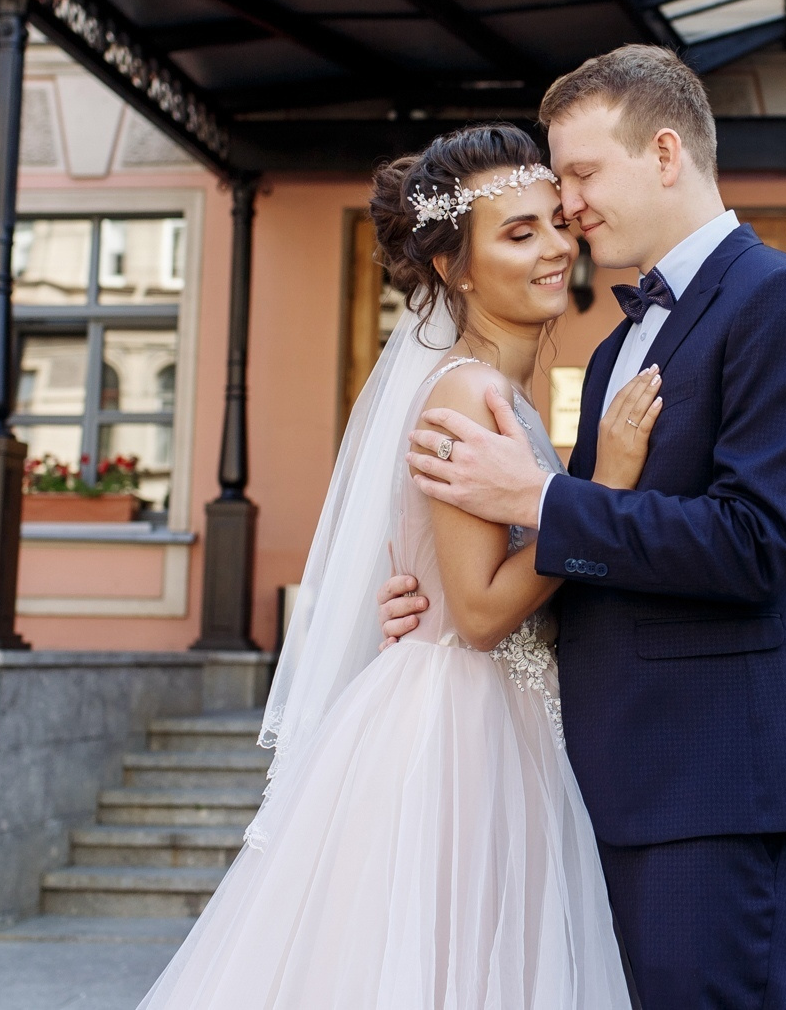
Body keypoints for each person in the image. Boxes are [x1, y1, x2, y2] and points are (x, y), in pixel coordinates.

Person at [382, 45, 786, 1010]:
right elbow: (605, 558)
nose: (568, 205)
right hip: (608, 774)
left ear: (663, 152)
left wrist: (541, 500)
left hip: (721, 780)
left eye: (580, 173)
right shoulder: (614, 346)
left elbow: (755, 543)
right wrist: (451, 605)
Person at [136, 124, 662, 1009]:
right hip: (459, 730)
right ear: (455, 269)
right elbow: (484, 611)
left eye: (552, 223)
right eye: (517, 232)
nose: (554, 248)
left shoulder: (507, 394)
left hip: (511, 715)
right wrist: (602, 492)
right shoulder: (464, 392)